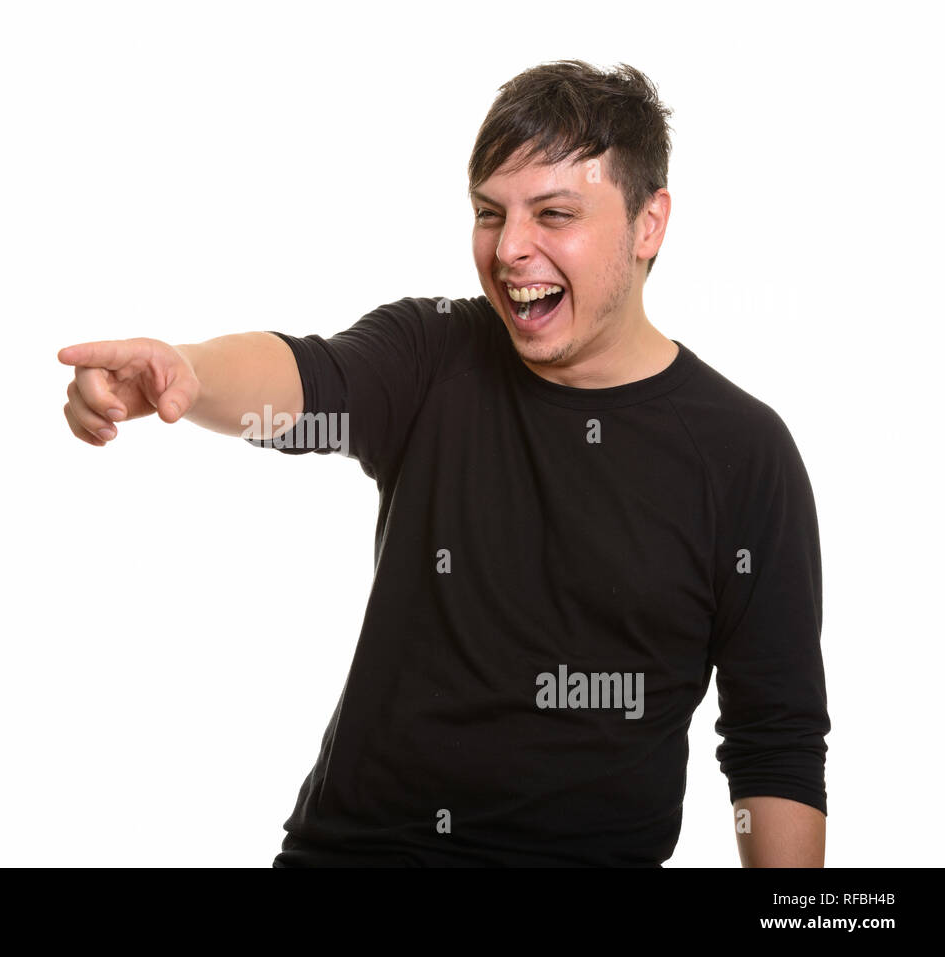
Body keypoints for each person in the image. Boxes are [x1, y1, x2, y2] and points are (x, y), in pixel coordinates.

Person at [57, 60, 830, 867]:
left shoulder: (745, 455)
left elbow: (775, 742)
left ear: (649, 224)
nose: (510, 250)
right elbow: (307, 380)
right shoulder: (433, 354)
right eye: (490, 214)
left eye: (554, 213)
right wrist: (185, 371)